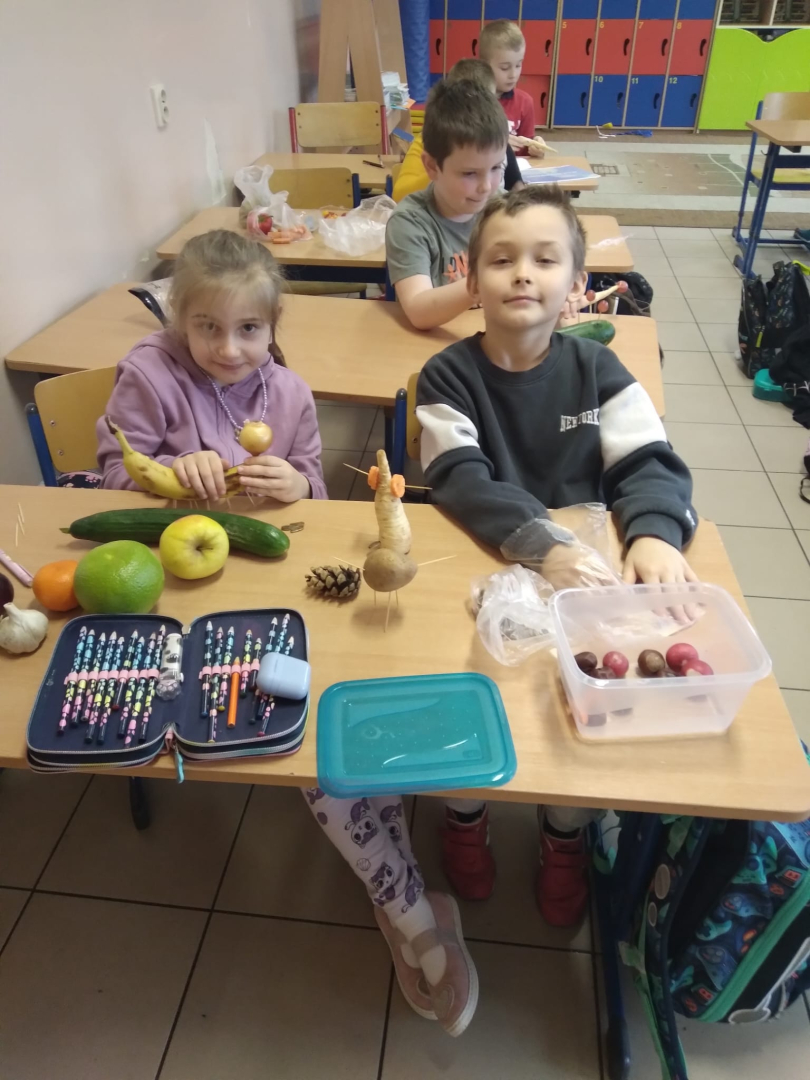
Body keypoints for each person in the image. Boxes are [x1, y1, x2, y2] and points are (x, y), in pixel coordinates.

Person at [415, 185, 697, 926]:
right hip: (485, 567)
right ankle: (464, 813)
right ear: (470, 279)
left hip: (588, 582)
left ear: (577, 283)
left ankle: (565, 831)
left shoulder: (600, 371)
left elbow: (649, 463)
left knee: (586, 707)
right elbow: (459, 478)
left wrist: (654, 532)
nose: (522, 274)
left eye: (545, 260)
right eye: (501, 259)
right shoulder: (447, 376)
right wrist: (544, 546)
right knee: (468, 693)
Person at [97, 230, 326, 502]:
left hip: (264, 526)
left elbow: (317, 490)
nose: (229, 350)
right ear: (179, 314)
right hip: (172, 525)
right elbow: (114, 477)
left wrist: (301, 486)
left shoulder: (293, 394)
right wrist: (173, 469)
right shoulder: (147, 376)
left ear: (273, 319)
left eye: (248, 327)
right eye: (209, 326)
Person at [386, 79, 509, 331]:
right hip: (434, 345)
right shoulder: (410, 223)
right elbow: (419, 310)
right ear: (432, 166)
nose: (486, 186)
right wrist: (483, 281)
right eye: (470, 173)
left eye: (496, 167)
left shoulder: (506, 211)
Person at [393, 59, 524, 203]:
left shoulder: (497, 143)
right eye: (469, 173)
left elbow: (518, 189)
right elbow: (400, 195)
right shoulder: (427, 142)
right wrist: (445, 169)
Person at [479, 19, 542, 157]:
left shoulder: (525, 102)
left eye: (518, 65)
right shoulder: (472, 101)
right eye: (505, 68)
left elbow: (525, 150)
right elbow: (461, 147)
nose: (513, 74)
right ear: (484, 66)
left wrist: (535, 148)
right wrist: (496, 144)